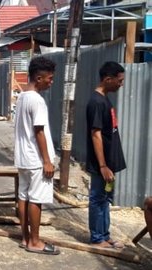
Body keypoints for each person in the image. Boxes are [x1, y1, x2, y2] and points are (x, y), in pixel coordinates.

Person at [14, 56, 59, 255]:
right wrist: (47, 161)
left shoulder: (22, 96)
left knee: (23, 197)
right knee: (36, 199)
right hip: (36, 159)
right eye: (49, 78)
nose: (51, 82)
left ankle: (25, 238)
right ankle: (35, 241)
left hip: (23, 157)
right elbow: (39, 131)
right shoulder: (37, 100)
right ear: (38, 78)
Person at [86, 61, 126, 249]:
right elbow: (96, 134)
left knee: (105, 198)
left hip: (109, 162)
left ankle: (104, 235)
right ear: (107, 79)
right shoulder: (96, 102)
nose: (121, 84)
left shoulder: (104, 99)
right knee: (97, 198)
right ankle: (97, 238)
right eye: (119, 80)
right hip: (101, 164)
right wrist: (102, 165)